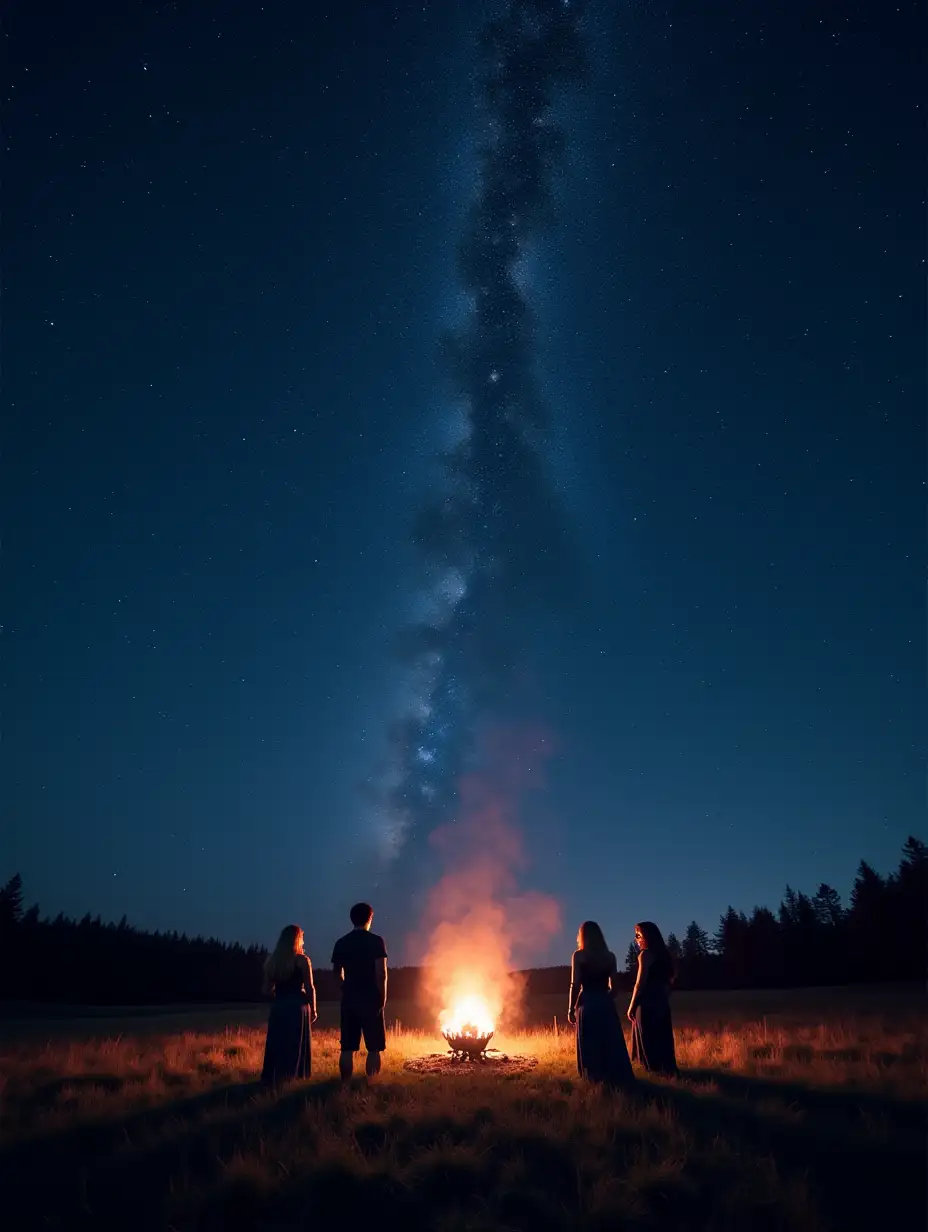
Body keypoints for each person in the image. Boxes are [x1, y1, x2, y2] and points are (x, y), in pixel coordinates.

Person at [567, 920, 635, 1088]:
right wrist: (605, 999)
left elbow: (574, 984)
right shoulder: (609, 957)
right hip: (605, 1002)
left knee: (589, 1040)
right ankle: (615, 1076)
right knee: (609, 1040)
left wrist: (570, 1008)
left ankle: (593, 1079)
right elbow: (615, 987)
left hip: (587, 1002)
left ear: (582, 936)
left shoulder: (579, 955)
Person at [331, 901, 388, 1081]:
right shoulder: (376, 941)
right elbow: (381, 973)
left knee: (347, 1047)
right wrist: (382, 997)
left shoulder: (341, 942)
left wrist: (345, 986)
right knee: (373, 1047)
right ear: (369, 918)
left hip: (349, 999)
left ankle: (345, 1084)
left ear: (352, 919)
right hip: (371, 998)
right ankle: (371, 1083)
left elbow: (336, 972)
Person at [260, 924, 317, 1086]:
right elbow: (310, 987)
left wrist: (280, 994)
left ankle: (274, 1077)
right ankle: (295, 1077)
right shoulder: (302, 960)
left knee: (278, 1042)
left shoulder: (272, 961)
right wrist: (314, 1009)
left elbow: (266, 989)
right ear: (298, 939)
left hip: (279, 1005)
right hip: (299, 1007)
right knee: (296, 1043)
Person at [628, 920, 678, 1076]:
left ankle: (652, 1070)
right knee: (662, 1035)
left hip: (647, 1002)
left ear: (646, 936)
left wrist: (631, 1007)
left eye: (638, 935)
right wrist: (663, 996)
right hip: (661, 1001)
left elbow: (639, 983)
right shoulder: (664, 955)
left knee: (648, 1036)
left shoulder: (645, 954)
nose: (636, 938)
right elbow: (671, 981)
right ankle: (666, 1069)